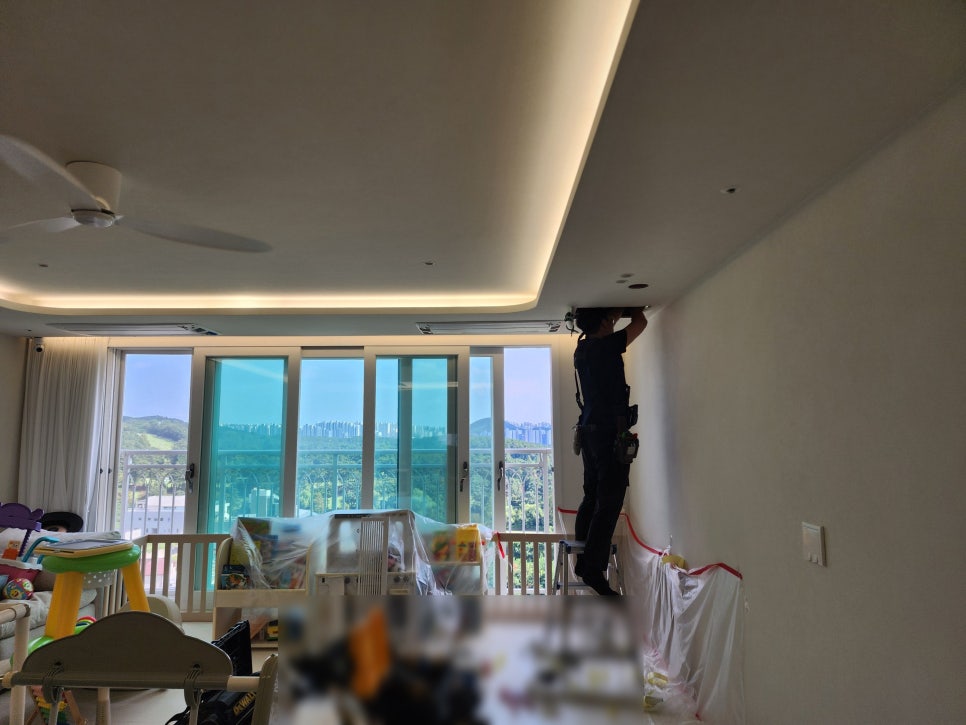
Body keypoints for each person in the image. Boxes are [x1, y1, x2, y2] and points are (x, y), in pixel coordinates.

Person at [572, 306, 647, 595]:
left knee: (592, 496)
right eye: (610, 321)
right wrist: (633, 309)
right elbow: (641, 323)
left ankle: (583, 561)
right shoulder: (608, 346)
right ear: (604, 323)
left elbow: (604, 328)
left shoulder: (582, 350)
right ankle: (593, 569)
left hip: (590, 432)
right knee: (610, 500)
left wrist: (612, 314)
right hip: (608, 435)